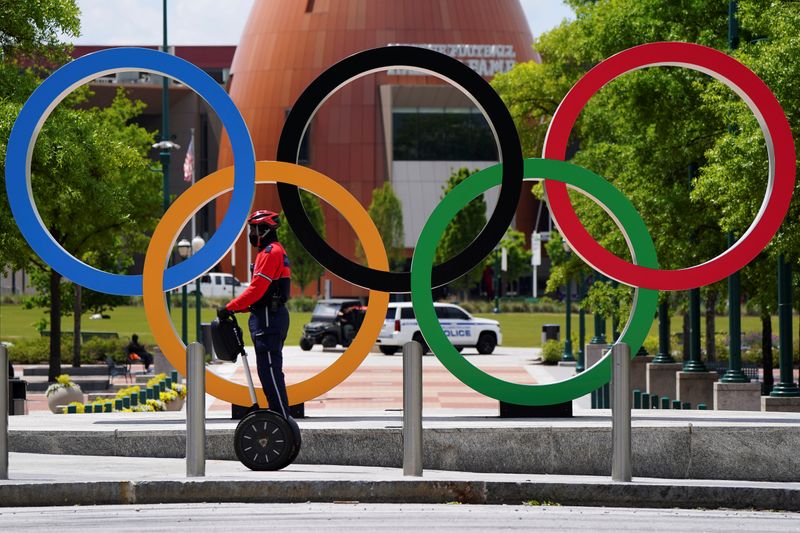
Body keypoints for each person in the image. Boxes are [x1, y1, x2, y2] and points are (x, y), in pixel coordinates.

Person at [218, 210, 291, 418]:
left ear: (264, 229)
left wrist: (229, 307)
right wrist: (239, 308)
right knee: (268, 371)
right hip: (268, 314)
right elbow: (262, 294)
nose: (251, 233)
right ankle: (280, 417)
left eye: (253, 229)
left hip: (269, 317)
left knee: (269, 370)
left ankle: (282, 420)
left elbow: (257, 289)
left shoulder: (270, 252)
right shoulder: (271, 251)